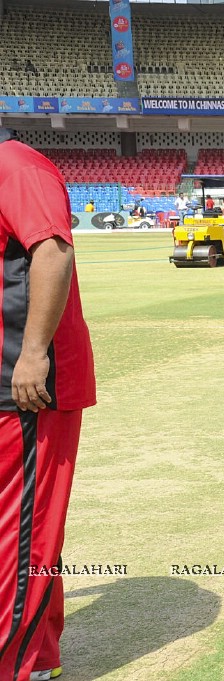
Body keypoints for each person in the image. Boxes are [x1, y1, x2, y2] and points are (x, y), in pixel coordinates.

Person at [0, 129, 96, 681]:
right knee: (23, 525)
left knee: (22, 527)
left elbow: (54, 252)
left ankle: (13, 664)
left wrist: (33, 354)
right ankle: (37, 654)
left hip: (30, 384)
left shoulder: (17, 167)